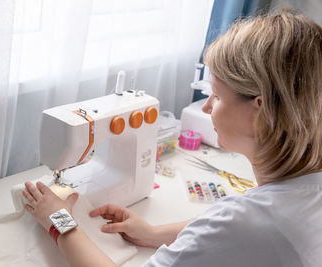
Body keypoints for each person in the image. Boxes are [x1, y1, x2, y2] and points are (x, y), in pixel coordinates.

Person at [22, 9, 322, 267]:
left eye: (215, 96)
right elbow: (225, 233)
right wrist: (154, 233)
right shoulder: (302, 190)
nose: (206, 107)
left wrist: (59, 222)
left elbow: (236, 229)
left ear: (260, 109)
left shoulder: (251, 221)